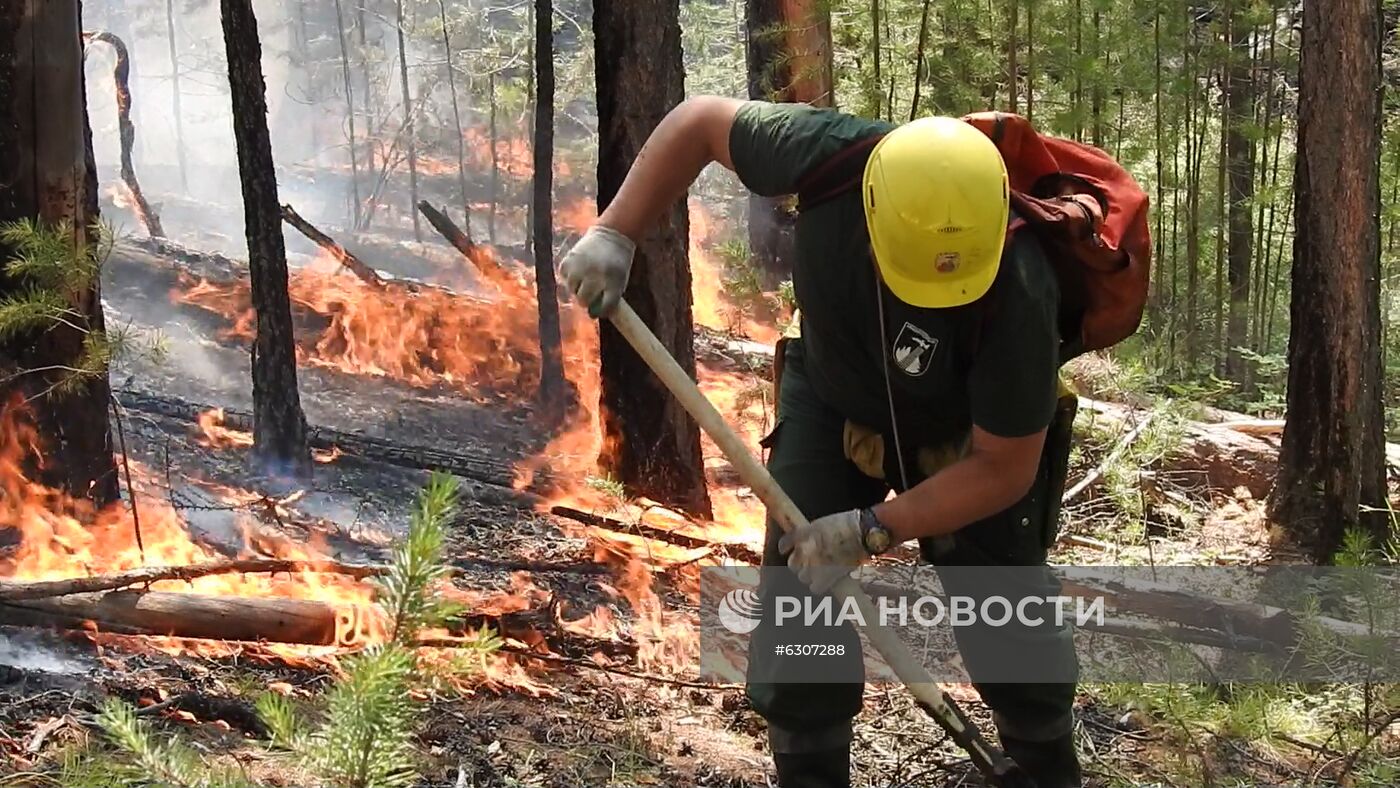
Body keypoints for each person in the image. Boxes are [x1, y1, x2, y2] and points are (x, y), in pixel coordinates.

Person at [559, 97, 1082, 788]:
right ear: (873, 211)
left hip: (965, 430)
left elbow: (1004, 467)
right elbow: (698, 123)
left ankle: (1045, 765)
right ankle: (810, 768)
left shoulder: (1021, 282)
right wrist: (615, 232)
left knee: (1007, 610)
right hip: (835, 393)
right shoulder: (830, 154)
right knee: (798, 604)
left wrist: (874, 529)